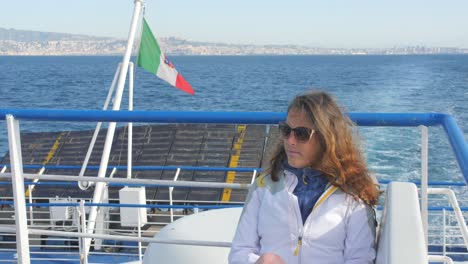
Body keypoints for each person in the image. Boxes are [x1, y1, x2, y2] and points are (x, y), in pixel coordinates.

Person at [228, 91, 380, 264]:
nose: (290, 141)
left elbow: (360, 260)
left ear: (326, 138)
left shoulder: (353, 194)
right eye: (286, 130)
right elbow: (239, 251)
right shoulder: (263, 187)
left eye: (301, 133)